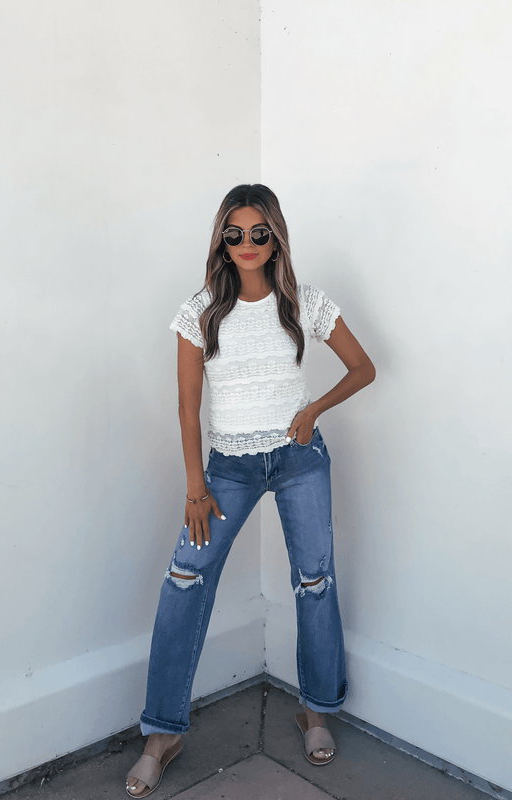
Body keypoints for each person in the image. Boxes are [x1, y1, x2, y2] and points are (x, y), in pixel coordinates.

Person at [126, 184, 375, 797]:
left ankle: (315, 711)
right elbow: (188, 408)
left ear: (276, 236)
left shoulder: (303, 304)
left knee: (315, 581)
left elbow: (363, 366)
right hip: (227, 470)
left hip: (299, 460)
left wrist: (314, 407)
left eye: (258, 232)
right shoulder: (201, 311)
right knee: (185, 580)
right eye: (233, 234)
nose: (245, 244)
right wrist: (194, 485)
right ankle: (162, 734)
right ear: (220, 240)